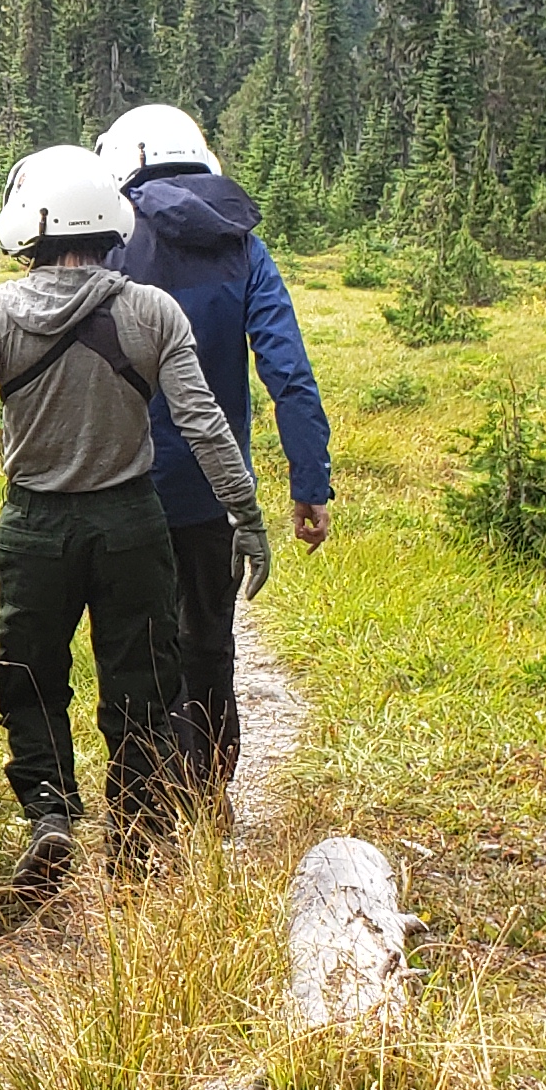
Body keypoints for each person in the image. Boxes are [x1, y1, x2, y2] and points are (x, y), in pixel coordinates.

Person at [0, 147, 267, 895]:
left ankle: (49, 814)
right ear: (113, 227)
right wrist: (246, 516)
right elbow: (204, 426)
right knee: (141, 681)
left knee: (29, 675)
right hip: (133, 524)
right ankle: (134, 839)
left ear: (28, 230)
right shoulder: (151, 312)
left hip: (35, 527)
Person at [94, 105, 334, 805]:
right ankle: (207, 792)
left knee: (140, 646)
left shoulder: (108, 243)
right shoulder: (243, 247)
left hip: (122, 488)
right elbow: (287, 371)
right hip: (213, 492)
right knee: (209, 642)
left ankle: (144, 804)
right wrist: (309, 483)